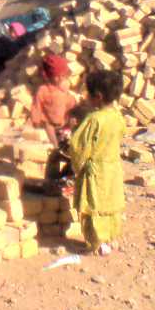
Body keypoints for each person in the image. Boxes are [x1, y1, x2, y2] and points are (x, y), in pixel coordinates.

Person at [70, 70, 126, 257]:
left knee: (93, 206)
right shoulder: (117, 116)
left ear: (98, 97)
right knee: (111, 204)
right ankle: (111, 238)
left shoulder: (93, 120)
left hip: (95, 170)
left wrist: (77, 166)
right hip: (112, 167)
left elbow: (79, 147)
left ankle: (97, 243)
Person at [31, 53, 79, 149]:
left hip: (64, 121)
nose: (60, 79)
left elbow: (69, 101)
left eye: (63, 76)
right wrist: (35, 120)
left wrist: (74, 105)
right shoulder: (43, 90)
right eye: (57, 76)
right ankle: (55, 147)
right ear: (49, 76)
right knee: (48, 127)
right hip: (50, 122)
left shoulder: (64, 87)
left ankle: (70, 145)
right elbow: (37, 105)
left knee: (74, 123)